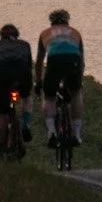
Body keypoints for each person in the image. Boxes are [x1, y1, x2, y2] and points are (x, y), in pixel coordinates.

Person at [36, 9, 85, 147]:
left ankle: (51, 132)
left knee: (49, 97)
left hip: (54, 60)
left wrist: (39, 82)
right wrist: (79, 80)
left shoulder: (45, 33)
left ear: (51, 22)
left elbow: (39, 61)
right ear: (67, 21)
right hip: (73, 60)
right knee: (75, 94)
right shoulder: (75, 33)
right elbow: (81, 60)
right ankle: (76, 134)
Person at [0, 23, 34, 156]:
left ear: (1, 36)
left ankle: (0, 149)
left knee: (2, 115)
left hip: (4, 78)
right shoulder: (25, 45)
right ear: (17, 35)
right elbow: (29, 67)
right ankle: (26, 123)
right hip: (22, 75)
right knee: (27, 97)